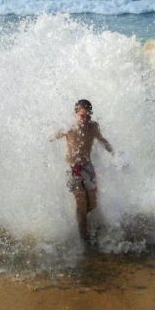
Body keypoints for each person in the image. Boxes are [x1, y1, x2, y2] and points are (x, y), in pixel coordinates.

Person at [52, 99, 113, 245]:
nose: (85, 119)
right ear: (76, 114)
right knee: (80, 202)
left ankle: (88, 229)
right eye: (82, 116)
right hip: (72, 168)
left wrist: (113, 153)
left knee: (92, 203)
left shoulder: (93, 127)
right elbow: (52, 137)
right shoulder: (69, 127)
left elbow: (101, 139)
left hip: (87, 167)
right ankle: (83, 238)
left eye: (87, 116)